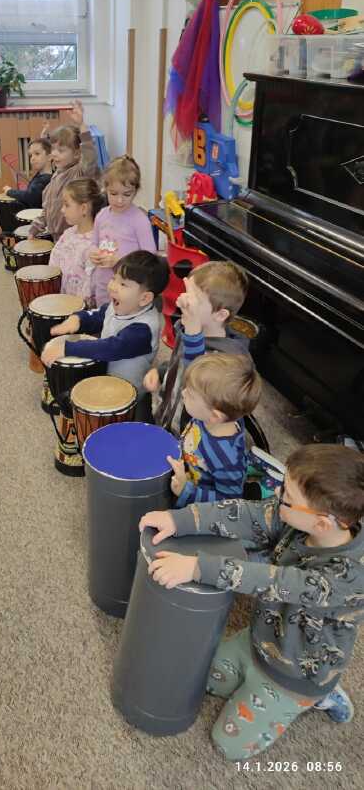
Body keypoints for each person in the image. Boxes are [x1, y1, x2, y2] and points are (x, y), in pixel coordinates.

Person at [139, 443, 364, 761]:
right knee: (196, 675)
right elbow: (247, 514)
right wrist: (181, 520)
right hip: (260, 640)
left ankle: (321, 696)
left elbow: (274, 581)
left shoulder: (348, 576)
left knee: (227, 745)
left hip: (297, 677)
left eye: (287, 496)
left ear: (323, 524)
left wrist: (198, 567)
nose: (278, 497)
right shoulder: (297, 519)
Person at [41, 250, 170, 395]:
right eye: (114, 278)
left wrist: (68, 348)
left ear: (144, 298)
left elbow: (111, 347)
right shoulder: (119, 306)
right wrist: (78, 319)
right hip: (106, 377)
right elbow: (98, 315)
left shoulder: (143, 329)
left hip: (127, 394)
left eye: (123, 284)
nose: (113, 286)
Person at [145, 261, 250, 435]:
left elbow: (195, 373)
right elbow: (180, 360)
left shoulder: (228, 361)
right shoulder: (189, 329)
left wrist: (192, 331)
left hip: (190, 433)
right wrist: (162, 371)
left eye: (195, 301)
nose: (181, 302)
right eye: (186, 294)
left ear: (220, 314)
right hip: (169, 412)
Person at [169, 353, 262, 507]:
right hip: (186, 467)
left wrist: (186, 491)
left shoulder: (226, 459)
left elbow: (229, 500)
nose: (183, 393)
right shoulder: (209, 417)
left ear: (215, 416)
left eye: (190, 394)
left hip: (197, 502)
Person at [89, 155, 156, 306]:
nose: (119, 200)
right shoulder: (101, 216)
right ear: (105, 189)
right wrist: (93, 253)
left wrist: (120, 261)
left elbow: (149, 259)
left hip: (128, 291)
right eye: (113, 194)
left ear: (135, 191)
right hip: (103, 284)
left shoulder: (140, 220)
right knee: (103, 317)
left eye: (127, 194)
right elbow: (94, 243)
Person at [29, 101, 99, 242]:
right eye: (53, 149)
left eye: (60, 151)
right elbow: (48, 207)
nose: (54, 154)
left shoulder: (79, 173)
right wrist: (36, 227)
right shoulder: (56, 174)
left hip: (75, 238)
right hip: (57, 237)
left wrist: (81, 125)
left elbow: (89, 156)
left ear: (77, 154)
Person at [49, 178, 104, 304]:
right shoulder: (68, 234)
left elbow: (89, 290)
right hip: (62, 302)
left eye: (67, 205)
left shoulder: (94, 245)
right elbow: (53, 265)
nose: (62, 210)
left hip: (79, 309)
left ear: (84, 208)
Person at [4, 137, 52, 207]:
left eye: (37, 153)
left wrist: (10, 191)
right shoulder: (41, 175)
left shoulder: (46, 179)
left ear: (49, 157)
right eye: (30, 155)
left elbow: (30, 197)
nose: (32, 158)